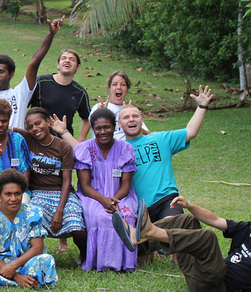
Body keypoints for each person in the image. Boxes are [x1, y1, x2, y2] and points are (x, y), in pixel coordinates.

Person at [114, 196, 251, 292]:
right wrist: (189, 205)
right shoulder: (248, 228)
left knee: (208, 238)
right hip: (200, 272)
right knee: (188, 221)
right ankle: (136, 242)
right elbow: (216, 220)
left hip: (216, 286)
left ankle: (150, 232)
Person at [119, 85, 213, 223]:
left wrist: (202, 106)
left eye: (135, 116)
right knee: (149, 241)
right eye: (126, 117)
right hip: (139, 209)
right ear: (119, 123)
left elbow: (190, 132)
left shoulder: (160, 139)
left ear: (142, 120)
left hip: (167, 201)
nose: (131, 119)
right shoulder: (118, 150)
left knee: (171, 230)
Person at [12, 107, 86, 257]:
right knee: (30, 222)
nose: (34, 129)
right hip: (39, 193)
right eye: (30, 126)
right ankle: (34, 256)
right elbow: (6, 127)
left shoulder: (62, 146)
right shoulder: (29, 139)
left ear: (47, 122)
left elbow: (67, 181)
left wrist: (59, 211)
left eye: (38, 123)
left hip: (62, 192)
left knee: (78, 228)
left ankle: (85, 256)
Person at [74, 108, 138, 272]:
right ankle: (98, 262)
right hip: (93, 196)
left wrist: (114, 200)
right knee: (99, 216)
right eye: (98, 128)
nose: (103, 131)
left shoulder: (125, 149)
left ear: (114, 127)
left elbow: (126, 185)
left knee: (127, 215)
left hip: (121, 195)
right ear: (93, 129)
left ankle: (125, 263)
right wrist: (104, 201)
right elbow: (85, 186)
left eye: (107, 127)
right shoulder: (85, 149)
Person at [29, 48, 91, 140]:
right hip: (36, 140)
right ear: (58, 65)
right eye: (64, 58)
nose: (67, 61)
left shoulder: (80, 92)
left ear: (78, 67)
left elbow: (87, 118)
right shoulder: (41, 82)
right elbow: (22, 105)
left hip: (63, 144)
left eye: (72, 59)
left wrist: (80, 141)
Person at [92, 71, 149, 140]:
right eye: (115, 84)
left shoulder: (131, 110)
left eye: (123, 84)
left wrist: (134, 122)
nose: (119, 87)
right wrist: (102, 113)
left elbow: (148, 134)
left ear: (127, 89)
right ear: (109, 88)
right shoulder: (98, 108)